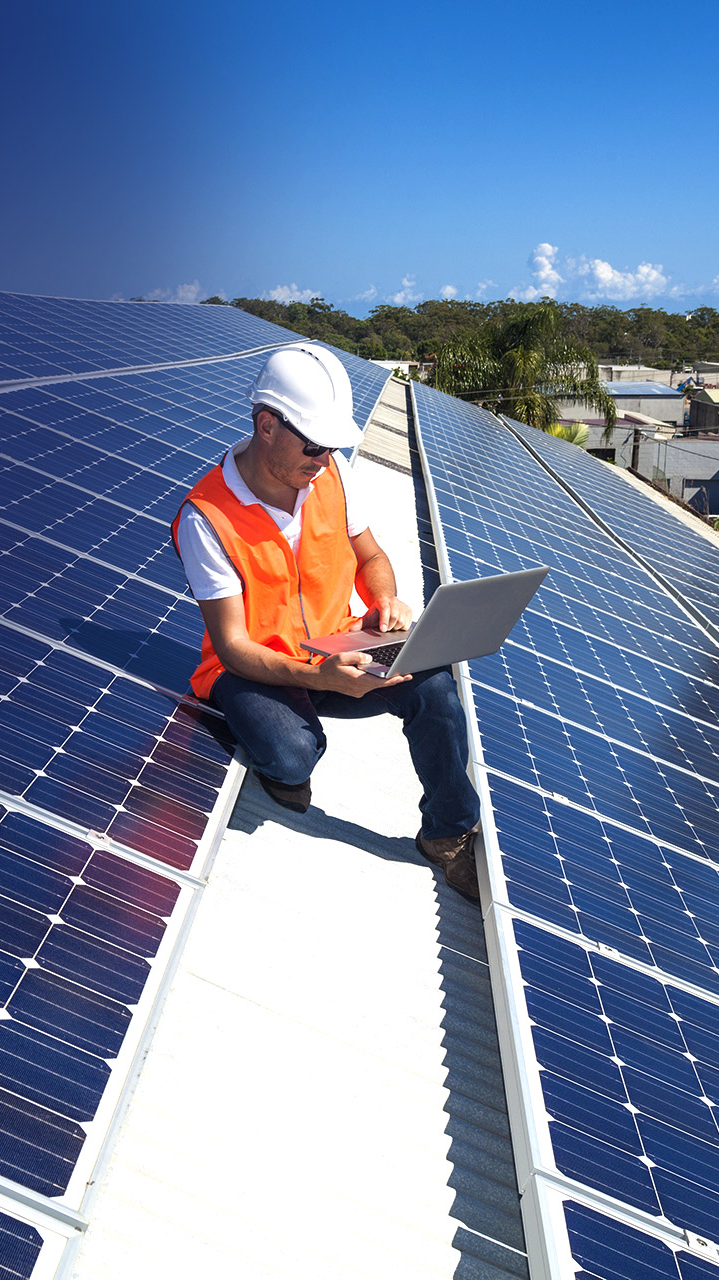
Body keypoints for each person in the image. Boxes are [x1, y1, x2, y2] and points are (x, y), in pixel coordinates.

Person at [170, 343, 485, 901]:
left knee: (434, 686)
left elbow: (373, 560)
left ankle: (448, 832)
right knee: (293, 760)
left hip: (339, 644)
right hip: (252, 670)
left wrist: (386, 603)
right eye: (313, 445)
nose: (323, 459)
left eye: (332, 447)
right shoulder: (206, 517)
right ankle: (280, 742)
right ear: (266, 426)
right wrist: (320, 679)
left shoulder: (331, 474)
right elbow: (234, 645)